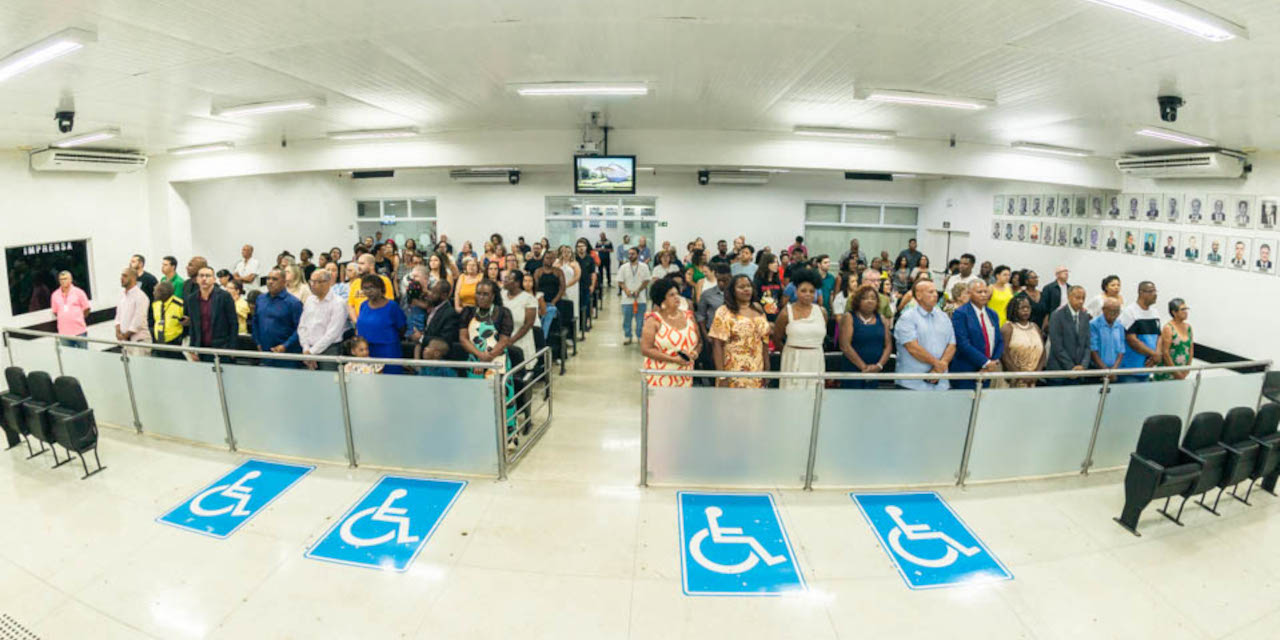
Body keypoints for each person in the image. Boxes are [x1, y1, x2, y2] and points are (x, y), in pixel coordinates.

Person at [893, 280, 956, 391]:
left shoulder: (943, 317)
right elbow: (913, 348)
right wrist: (937, 364)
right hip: (912, 384)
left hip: (940, 383)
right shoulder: (907, 318)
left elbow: (952, 344)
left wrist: (941, 366)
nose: (935, 295)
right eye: (930, 292)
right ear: (918, 295)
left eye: (936, 291)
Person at [709, 275, 770, 388]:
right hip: (733, 372)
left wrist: (767, 369)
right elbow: (717, 344)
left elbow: (764, 341)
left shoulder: (758, 308)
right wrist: (721, 376)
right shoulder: (724, 311)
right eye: (741, 287)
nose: (746, 289)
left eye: (748, 286)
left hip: (757, 370)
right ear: (733, 291)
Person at [772, 268, 827, 391]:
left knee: (814, 396)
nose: (808, 294)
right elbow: (777, 338)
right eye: (803, 291)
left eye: (812, 291)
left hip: (815, 359)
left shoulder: (822, 312)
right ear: (795, 291)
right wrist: (789, 351)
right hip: (793, 359)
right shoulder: (786, 312)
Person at [641, 278, 700, 387]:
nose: (676, 297)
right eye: (671, 295)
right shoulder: (653, 320)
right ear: (662, 299)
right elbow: (646, 349)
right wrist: (673, 359)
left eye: (677, 293)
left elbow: (699, 342)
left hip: (685, 375)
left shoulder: (689, 316)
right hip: (661, 376)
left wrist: (694, 353)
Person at [950, 280, 1003, 390]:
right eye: (979, 292)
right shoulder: (961, 313)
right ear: (969, 293)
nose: (984, 295)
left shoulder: (992, 314)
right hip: (967, 371)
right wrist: (986, 362)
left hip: (988, 372)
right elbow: (963, 343)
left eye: (985, 291)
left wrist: (992, 364)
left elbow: (999, 341)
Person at [838, 285, 890, 389]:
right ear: (857, 300)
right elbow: (845, 346)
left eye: (873, 298)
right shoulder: (849, 317)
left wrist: (878, 366)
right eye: (865, 298)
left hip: (875, 372)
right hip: (853, 370)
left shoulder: (882, 319)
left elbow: (888, 346)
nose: (869, 301)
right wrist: (864, 367)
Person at [353, 274, 406, 374]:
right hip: (367, 352)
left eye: (372, 287)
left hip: (388, 351)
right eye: (365, 288)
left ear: (380, 288)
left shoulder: (392, 306)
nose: (368, 291)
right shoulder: (363, 305)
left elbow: (402, 328)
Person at [297, 269, 348, 371]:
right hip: (308, 348)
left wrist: (312, 352)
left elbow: (332, 333)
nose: (313, 285)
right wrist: (306, 349)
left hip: (329, 350)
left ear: (328, 283)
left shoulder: (338, 303)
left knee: (329, 382)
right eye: (311, 281)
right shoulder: (310, 300)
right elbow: (302, 326)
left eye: (317, 282)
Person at [252, 268, 303, 368]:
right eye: (268, 279)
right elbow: (255, 322)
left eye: (275, 279)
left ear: (284, 282)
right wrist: (257, 342)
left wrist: (285, 345)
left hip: (286, 356)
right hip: (264, 354)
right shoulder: (260, 299)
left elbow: (301, 329)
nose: (270, 282)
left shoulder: (294, 303)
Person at [1047, 286, 1092, 384]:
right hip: (1059, 371)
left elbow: (1087, 345)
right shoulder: (1057, 315)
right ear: (1069, 297)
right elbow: (1057, 346)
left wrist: (1083, 366)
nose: (1081, 301)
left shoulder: (1084, 316)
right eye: (1077, 298)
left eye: (1083, 298)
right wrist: (1071, 367)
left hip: (1079, 372)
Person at [1000, 295, 1047, 387]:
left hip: (1033, 378)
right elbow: (1004, 354)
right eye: (1022, 308)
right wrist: (1019, 375)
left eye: (1028, 307)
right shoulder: (1008, 328)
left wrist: (1036, 374)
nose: (1026, 310)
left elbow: (1043, 353)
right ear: (1014, 309)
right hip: (1013, 379)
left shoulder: (1035, 327)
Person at [414, 279, 461, 366]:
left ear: (444, 295)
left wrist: (421, 338)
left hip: (438, 364)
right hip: (426, 358)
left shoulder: (450, 313)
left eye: (434, 293)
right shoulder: (433, 308)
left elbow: (445, 341)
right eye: (431, 291)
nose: (430, 295)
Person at [502, 270, 538, 367]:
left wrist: (511, 341)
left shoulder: (528, 299)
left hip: (520, 338)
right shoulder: (501, 295)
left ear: (517, 283)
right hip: (502, 339)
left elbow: (528, 324)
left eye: (508, 279)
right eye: (505, 278)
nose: (505, 280)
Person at [348, 254, 396, 322]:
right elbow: (351, 306)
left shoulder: (384, 280)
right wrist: (357, 323)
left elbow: (388, 304)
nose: (359, 266)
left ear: (371, 265)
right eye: (358, 263)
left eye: (362, 263)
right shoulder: (355, 283)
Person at [1154, 298, 1193, 381]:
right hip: (1168, 372)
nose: (1186, 312)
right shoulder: (1168, 328)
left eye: (1186, 309)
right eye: (1182, 309)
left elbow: (1191, 350)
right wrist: (1176, 373)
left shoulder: (1188, 327)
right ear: (1174, 312)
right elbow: (1165, 353)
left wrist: (1187, 369)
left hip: (1182, 372)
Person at [619, 247, 652, 345]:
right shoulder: (623, 267)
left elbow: (646, 280)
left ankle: (639, 336)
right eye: (629, 254)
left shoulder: (644, 266)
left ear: (638, 254)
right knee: (627, 319)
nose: (630, 256)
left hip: (640, 298)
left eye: (633, 254)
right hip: (627, 299)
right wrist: (626, 290)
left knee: (640, 320)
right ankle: (627, 336)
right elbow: (620, 281)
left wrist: (639, 290)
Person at [51, 270, 91, 349]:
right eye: (61, 279)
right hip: (64, 333)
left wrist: (79, 318)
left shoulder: (79, 292)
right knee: (68, 357)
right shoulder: (55, 295)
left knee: (83, 356)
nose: (63, 281)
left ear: (71, 279)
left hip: (79, 331)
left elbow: (87, 308)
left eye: (65, 278)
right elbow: (55, 312)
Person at [147, 280, 186, 358]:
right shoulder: (155, 304)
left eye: (156, 291)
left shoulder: (180, 305)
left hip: (174, 344)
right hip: (158, 343)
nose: (153, 293)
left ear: (163, 292)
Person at [1090, 298, 1126, 380]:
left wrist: (1113, 370)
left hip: (1115, 371)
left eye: (1117, 311)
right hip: (1097, 371)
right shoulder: (1094, 324)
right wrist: (1105, 371)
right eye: (1111, 311)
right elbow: (1093, 350)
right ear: (1103, 310)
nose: (1114, 314)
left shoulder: (1120, 326)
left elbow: (1121, 350)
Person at [754, 253, 783, 321]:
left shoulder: (776, 279)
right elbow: (755, 299)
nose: (777, 265)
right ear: (766, 264)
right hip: (762, 315)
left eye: (777, 262)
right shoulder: (758, 280)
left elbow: (780, 296)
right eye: (774, 262)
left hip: (776, 314)